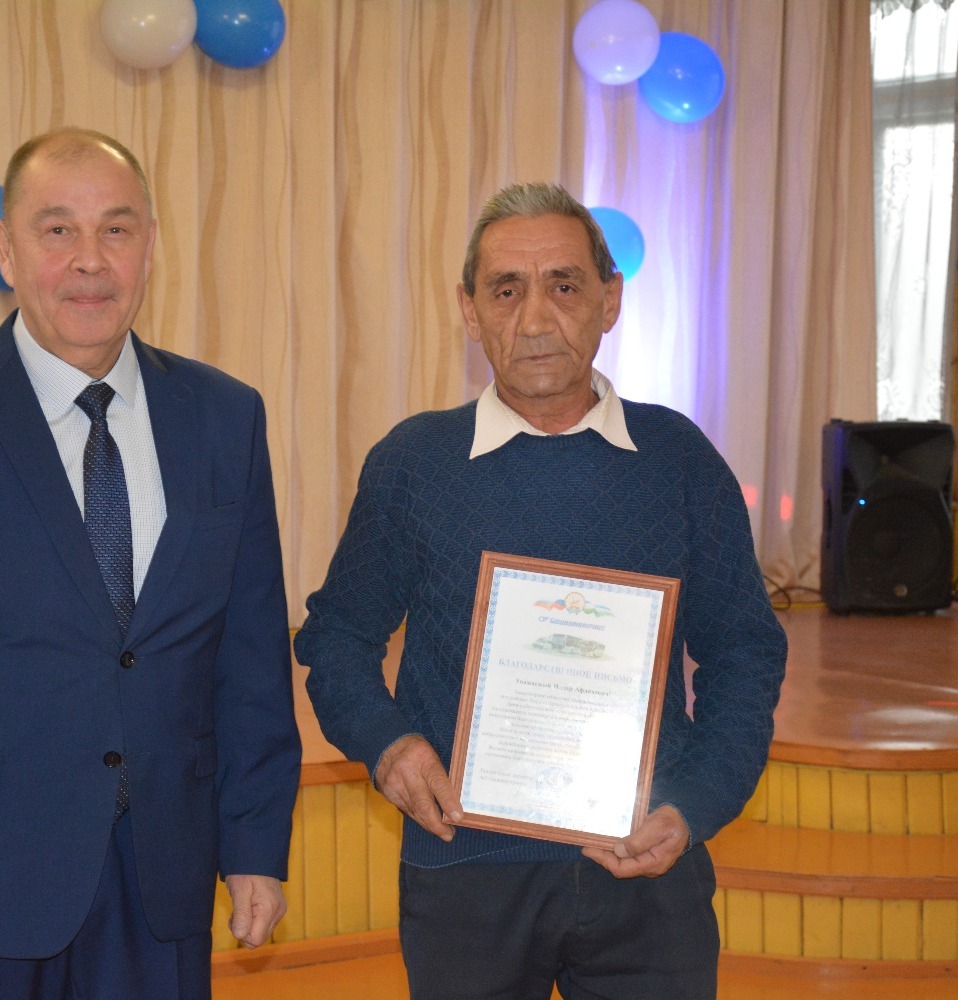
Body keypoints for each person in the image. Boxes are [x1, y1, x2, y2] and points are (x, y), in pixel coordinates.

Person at [0, 127, 300, 1000]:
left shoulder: (226, 417)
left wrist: (257, 843)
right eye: (57, 230)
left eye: (116, 229)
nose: (90, 261)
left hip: (163, 880)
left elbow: (251, 655)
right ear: (5, 248)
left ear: (150, 246)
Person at [294, 182, 787, 999]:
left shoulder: (679, 460)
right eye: (505, 290)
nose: (534, 319)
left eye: (563, 285)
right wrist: (390, 746)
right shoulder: (414, 464)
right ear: (469, 310)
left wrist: (695, 803)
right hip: (465, 872)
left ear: (609, 301)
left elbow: (744, 651)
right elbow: (338, 638)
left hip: (647, 870)